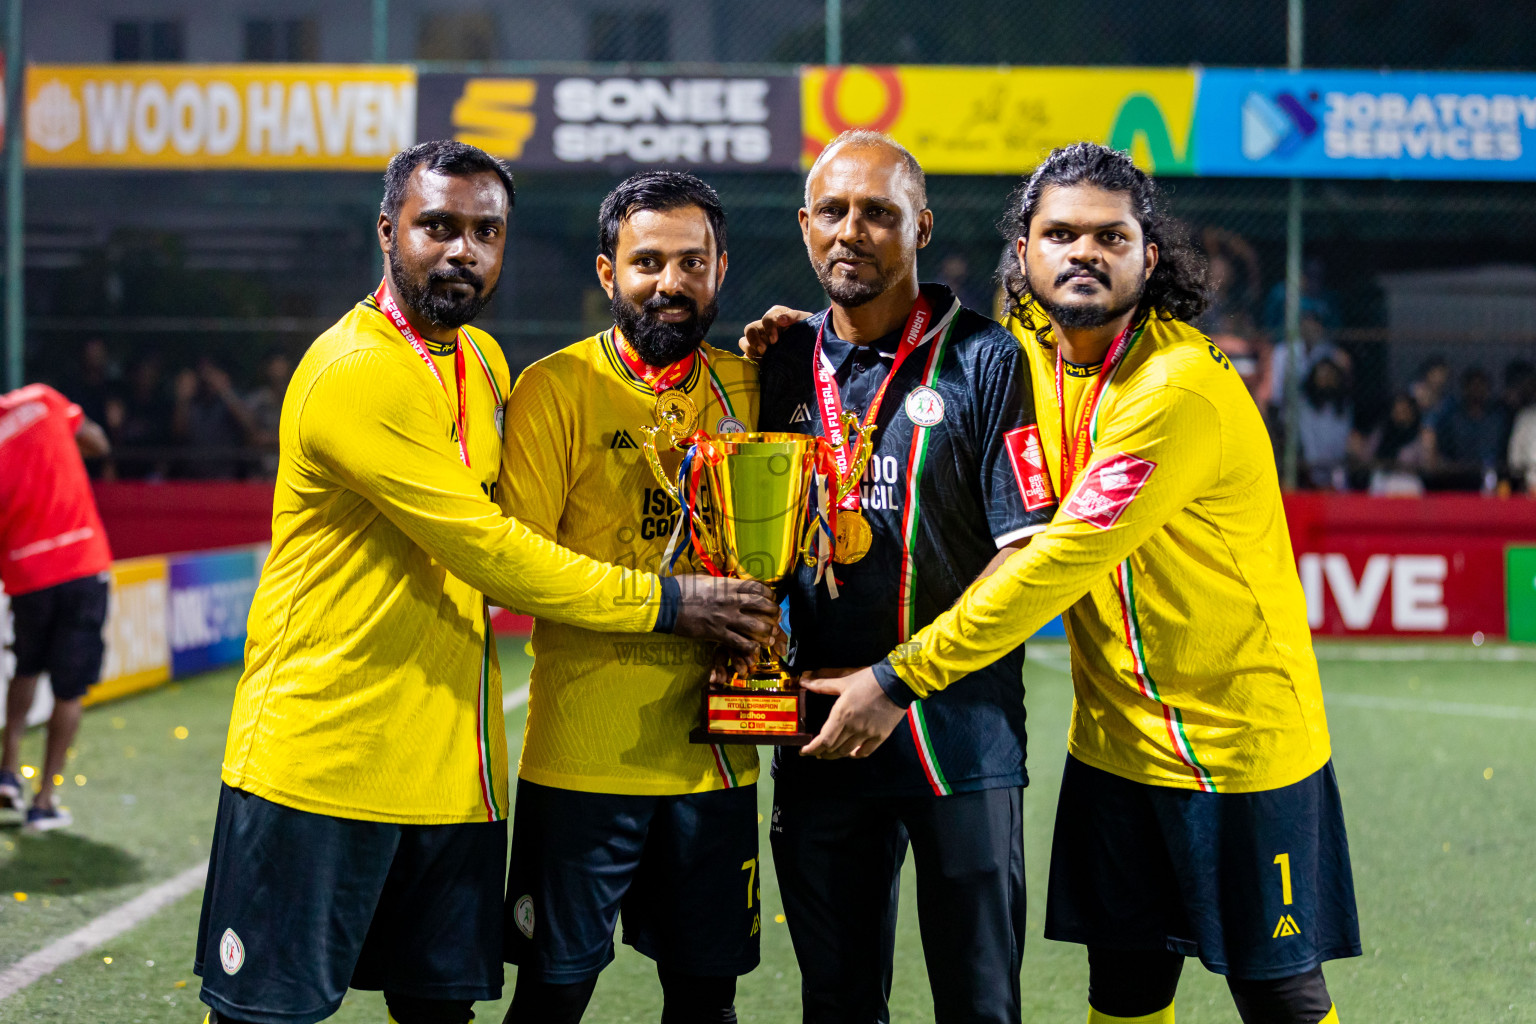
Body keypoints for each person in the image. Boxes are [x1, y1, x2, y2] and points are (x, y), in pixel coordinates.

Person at [191, 141, 778, 1024]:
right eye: (438, 226)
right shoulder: (358, 372)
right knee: (269, 1015)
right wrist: (669, 601)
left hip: (451, 779)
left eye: (485, 231)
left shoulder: (484, 365)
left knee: (441, 1014)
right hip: (321, 766)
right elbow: (491, 549)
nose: (461, 250)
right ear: (389, 231)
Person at [800, 143, 1357, 1024]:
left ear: (1151, 256)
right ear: (1023, 254)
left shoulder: (1176, 388)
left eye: (1110, 235)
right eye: (1059, 233)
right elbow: (919, 347)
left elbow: (1054, 563)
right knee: (1127, 992)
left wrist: (898, 676)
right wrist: (818, 341)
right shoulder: (1033, 357)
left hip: (1235, 746)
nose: (1082, 252)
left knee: (1280, 993)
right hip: (1116, 747)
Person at [740, 130, 1057, 1024]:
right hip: (818, 734)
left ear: (921, 227)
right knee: (835, 1005)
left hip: (960, 737)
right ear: (804, 227)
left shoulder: (991, 362)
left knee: (980, 1006)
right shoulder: (777, 362)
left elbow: (1024, 550)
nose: (854, 231)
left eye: (880, 212)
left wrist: (899, 680)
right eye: (834, 211)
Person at [499, 171, 766, 1024]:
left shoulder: (757, 388)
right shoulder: (554, 389)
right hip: (581, 760)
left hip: (716, 756)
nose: (671, 282)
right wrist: (669, 602)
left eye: (693, 262)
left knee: (704, 1002)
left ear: (720, 270)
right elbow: (521, 565)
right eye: (648, 261)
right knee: (552, 996)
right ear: (609, 274)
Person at [0, 384, 113, 832]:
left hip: (26, 572)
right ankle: (44, 801)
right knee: (70, 689)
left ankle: (8, 771)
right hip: (81, 562)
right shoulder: (42, 400)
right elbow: (98, 443)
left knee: (25, 667)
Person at [1296, 357, 1353, 489]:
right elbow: (1307, 437)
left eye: (1329, 374)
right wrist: (1315, 465)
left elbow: (1343, 437)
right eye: (1322, 375)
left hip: (1337, 467)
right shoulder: (1305, 405)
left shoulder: (1343, 405)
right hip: (1311, 466)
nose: (1325, 379)